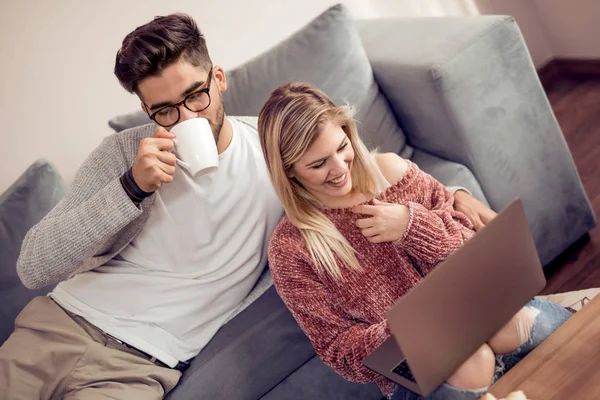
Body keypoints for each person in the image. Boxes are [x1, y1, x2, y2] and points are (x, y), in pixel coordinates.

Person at [0, 13, 502, 400]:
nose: (184, 118)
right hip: (57, 327)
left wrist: (454, 196)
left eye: (195, 96)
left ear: (218, 79)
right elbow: (33, 265)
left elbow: (363, 174)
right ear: (145, 109)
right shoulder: (122, 155)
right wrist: (130, 189)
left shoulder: (276, 154)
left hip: (142, 365)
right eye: (164, 111)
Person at [257, 82, 572, 400]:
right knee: (473, 362)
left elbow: (469, 244)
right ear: (289, 171)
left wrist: (413, 225)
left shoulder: (392, 172)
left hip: (478, 314)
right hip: (414, 370)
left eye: (341, 147)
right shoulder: (291, 249)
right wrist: (407, 329)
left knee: (538, 330)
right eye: (317, 164)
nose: (339, 168)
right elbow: (338, 351)